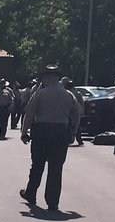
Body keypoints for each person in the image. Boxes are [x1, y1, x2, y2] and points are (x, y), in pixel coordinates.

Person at [19, 65, 81, 213]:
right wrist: (73, 132)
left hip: (42, 130)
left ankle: (31, 194)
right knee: (56, 168)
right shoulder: (68, 95)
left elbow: (29, 114)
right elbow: (77, 114)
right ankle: (52, 202)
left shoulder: (40, 94)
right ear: (58, 78)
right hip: (60, 131)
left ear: (46, 78)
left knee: (37, 165)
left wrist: (24, 131)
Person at [62, 78, 86, 145]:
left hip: (73, 111)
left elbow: (81, 103)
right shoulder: (73, 93)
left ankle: (77, 139)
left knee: (75, 126)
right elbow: (82, 103)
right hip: (72, 112)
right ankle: (76, 139)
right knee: (76, 126)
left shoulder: (73, 93)